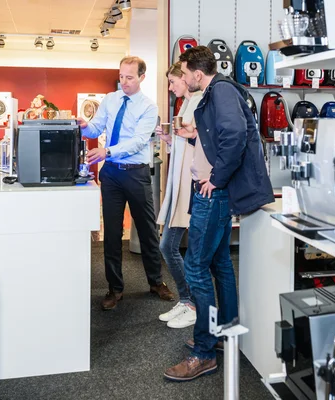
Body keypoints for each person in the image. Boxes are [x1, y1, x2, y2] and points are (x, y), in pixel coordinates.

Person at [164, 46, 274, 381]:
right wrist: (193, 139)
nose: (181, 80)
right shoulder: (215, 93)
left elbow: (237, 135)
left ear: (197, 74)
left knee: (196, 268)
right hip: (212, 192)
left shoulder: (221, 90)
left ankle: (204, 351)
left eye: (183, 74)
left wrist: (217, 178)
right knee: (220, 263)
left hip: (213, 194)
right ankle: (225, 332)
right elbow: (217, 139)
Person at [79, 56, 174, 310]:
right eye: (121, 76)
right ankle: (115, 288)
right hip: (111, 174)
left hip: (136, 174)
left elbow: (139, 141)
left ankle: (156, 282)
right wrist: (84, 126)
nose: (124, 82)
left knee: (147, 230)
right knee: (111, 233)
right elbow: (96, 128)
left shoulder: (148, 106)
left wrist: (107, 151)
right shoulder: (110, 100)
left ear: (142, 77)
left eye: (130, 77)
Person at [155, 62, 202, 329]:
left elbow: (198, 143)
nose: (172, 87)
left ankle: (191, 303)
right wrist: (171, 139)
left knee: (171, 246)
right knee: (170, 246)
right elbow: (186, 142)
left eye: (174, 81)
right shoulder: (186, 104)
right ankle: (187, 300)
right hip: (180, 183)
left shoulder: (197, 103)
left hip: (190, 184)